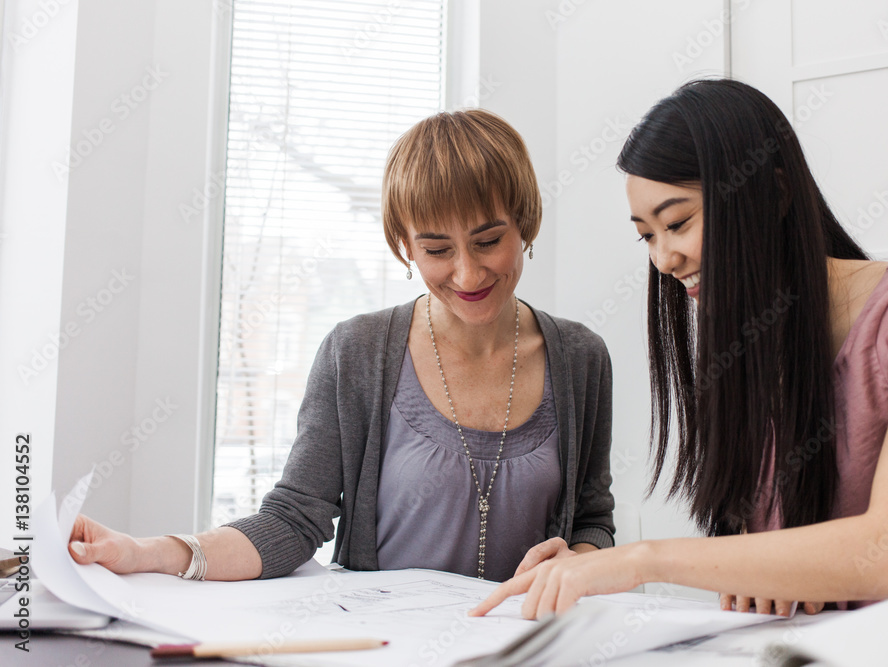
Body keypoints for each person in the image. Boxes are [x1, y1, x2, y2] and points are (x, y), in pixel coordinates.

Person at [471, 79, 888, 621]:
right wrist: (583, 563)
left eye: (676, 223)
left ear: (772, 194)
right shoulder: (750, 346)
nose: (663, 259)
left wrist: (640, 561)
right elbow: (777, 558)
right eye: (646, 235)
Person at [68, 109, 615, 583]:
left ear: (526, 223)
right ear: (405, 246)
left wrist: (579, 562)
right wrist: (147, 553)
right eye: (436, 248)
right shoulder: (356, 352)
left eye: (488, 241)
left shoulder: (581, 360)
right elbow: (292, 520)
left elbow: (592, 520)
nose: (467, 272)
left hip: (528, 649)